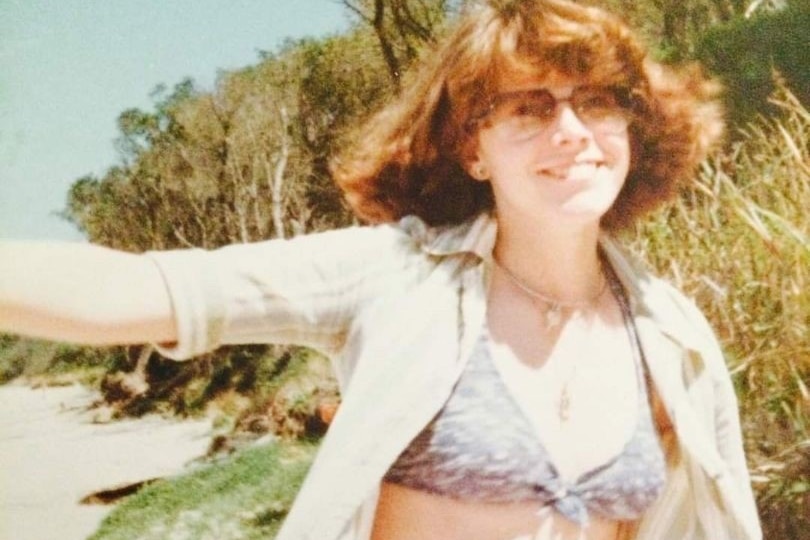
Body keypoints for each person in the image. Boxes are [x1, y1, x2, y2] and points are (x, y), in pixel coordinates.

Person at [0, 1, 761, 539]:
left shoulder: (672, 334)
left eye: (597, 102)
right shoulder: (396, 274)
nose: (571, 132)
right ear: (472, 148)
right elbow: (151, 291)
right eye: (528, 109)